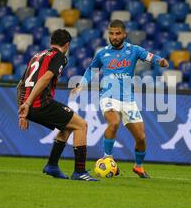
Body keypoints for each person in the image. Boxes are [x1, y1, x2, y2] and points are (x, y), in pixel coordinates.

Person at [71, 20, 169, 178]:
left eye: (117, 33)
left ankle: (138, 166)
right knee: (114, 122)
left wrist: (160, 61)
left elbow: (150, 56)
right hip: (108, 96)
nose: (114, 37)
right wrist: (81, 84)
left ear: (124, 34)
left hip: (128, 100)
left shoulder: (134, 50)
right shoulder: (102, 53)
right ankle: (108, 158)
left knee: (141, 138)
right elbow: (91, 70)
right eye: (111, 33)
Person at [17, 29, 97, 181]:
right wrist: (27, 104)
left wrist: (22, 110)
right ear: (67, 45)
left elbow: (21, 85)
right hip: (40, 103)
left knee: (67, 126)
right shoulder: (59, 56)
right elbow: (46, 78)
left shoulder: (36, 56)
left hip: (28, 105)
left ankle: (52, 166)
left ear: (50, 42)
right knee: (81, 125)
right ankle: (79, 172)